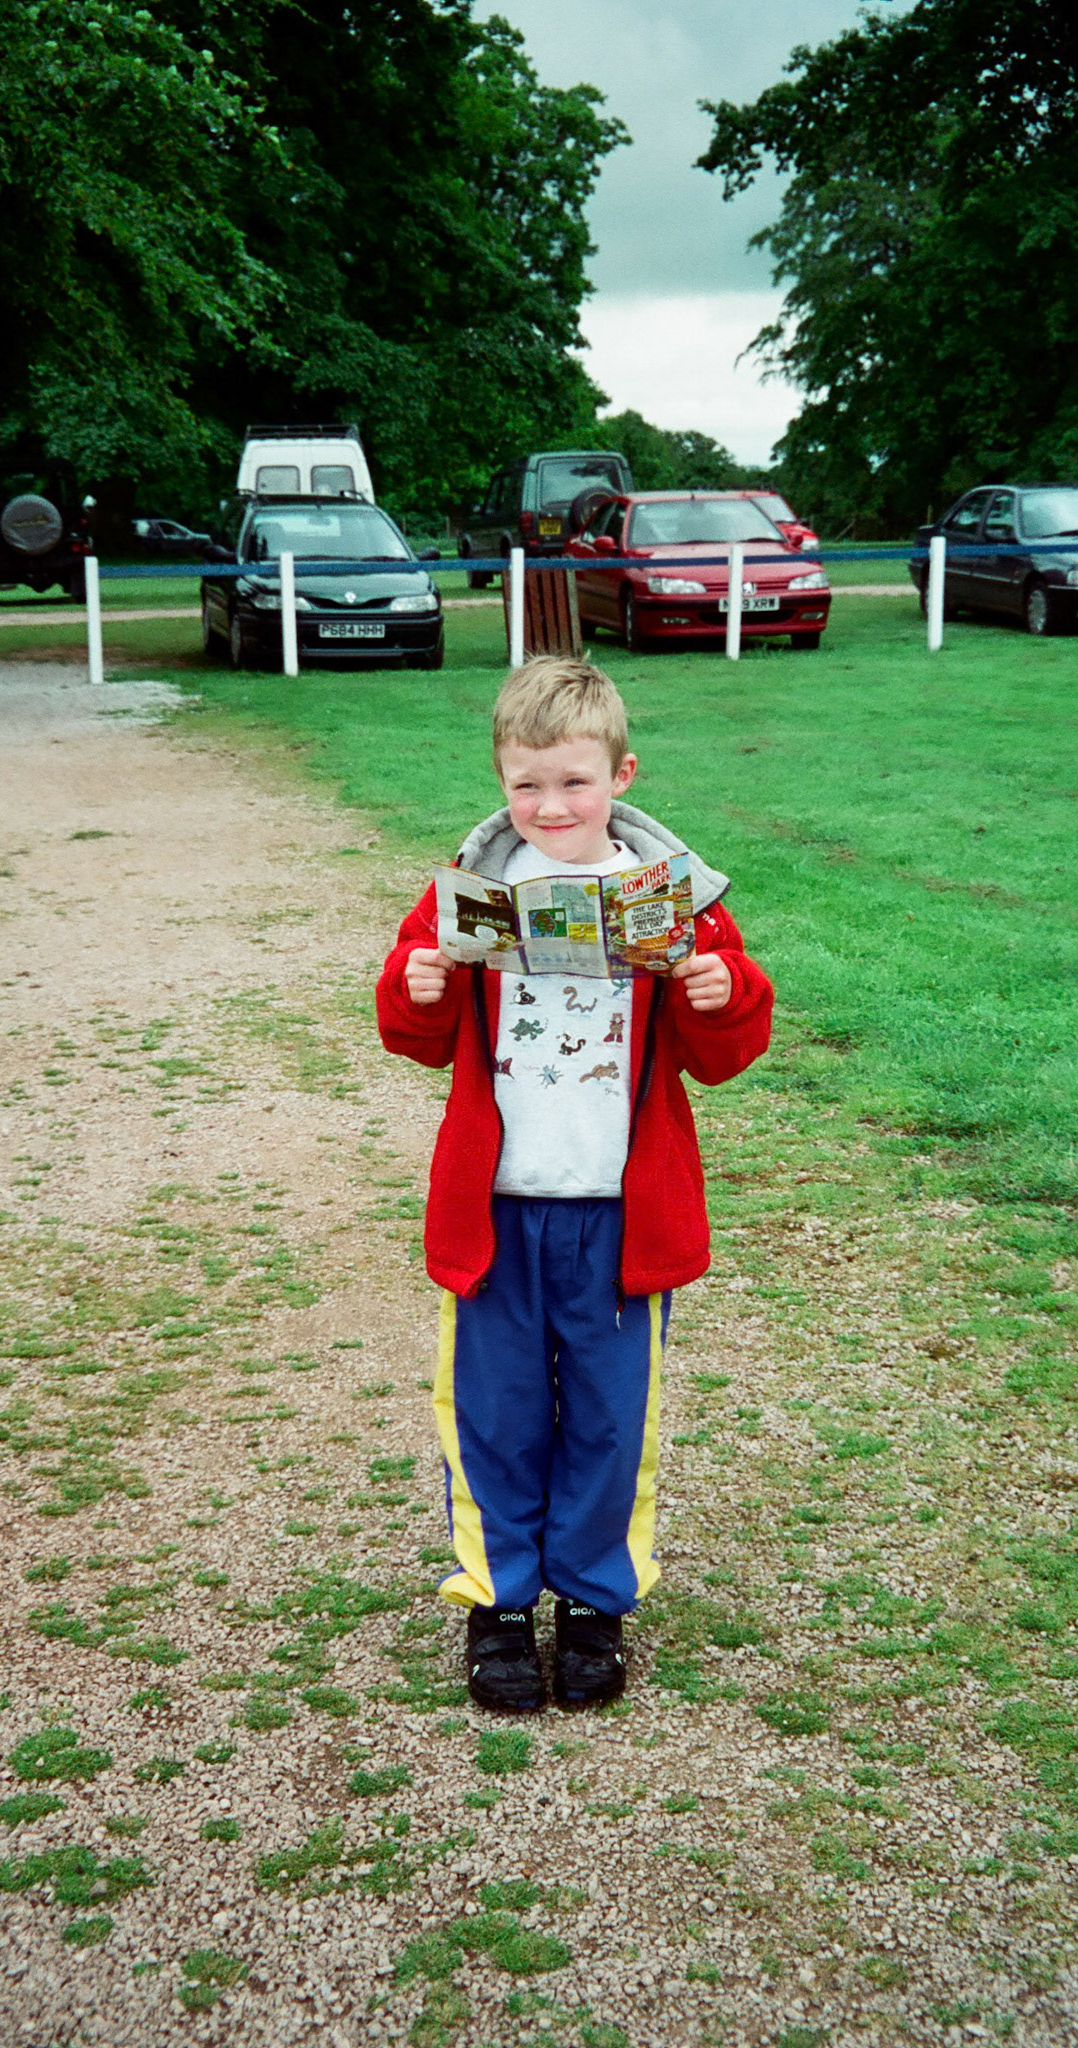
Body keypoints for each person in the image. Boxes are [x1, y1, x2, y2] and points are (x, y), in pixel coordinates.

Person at [375, 656, 773, 1712]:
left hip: (619, 1215)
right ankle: (499, 1602)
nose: (550, 806)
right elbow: (408, 1032)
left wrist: (720, 987)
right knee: (494, 1412)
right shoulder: (465, 889)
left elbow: (725, 1049)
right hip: (497, 1209)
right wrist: (416, 985)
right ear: (501, 782)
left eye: (574, 782)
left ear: (621, 774)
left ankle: (595, 1602)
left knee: (611, 1416)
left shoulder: (677, 897)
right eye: (526, 784)